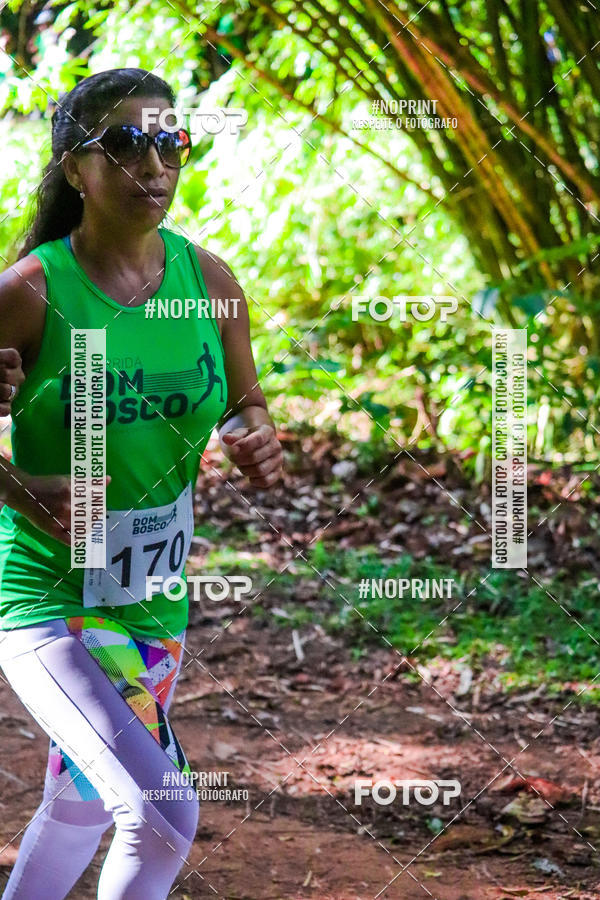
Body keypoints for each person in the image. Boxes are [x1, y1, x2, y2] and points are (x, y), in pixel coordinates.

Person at [0, 67, 283, 900]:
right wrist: (17, 488)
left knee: (80, 806)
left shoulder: (209, 282)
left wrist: (254, 436)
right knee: (160, 814)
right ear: (75, 169)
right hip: (46, 600)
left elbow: (246, 403)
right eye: (126, 143)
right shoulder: (31, 292)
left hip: (153, 601)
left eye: (170, 141)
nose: (154, 163)